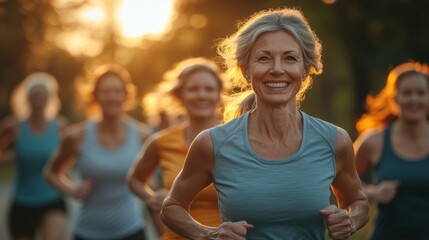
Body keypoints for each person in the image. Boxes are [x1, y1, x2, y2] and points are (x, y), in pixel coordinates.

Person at [160, 7, 369, 240]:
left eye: (289, 58)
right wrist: (208, 234)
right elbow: (171, 207)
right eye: (264, 58)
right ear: (246, 70)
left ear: (306, 70)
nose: (277, 69)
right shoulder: (213, 143)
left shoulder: (334, 140)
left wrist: (350, 220)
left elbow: (358, 202)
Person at [44, 64, 152, 240]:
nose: (112, 97)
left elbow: (153, 177)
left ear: (126, 95)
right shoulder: (76, 136)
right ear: (94, 96)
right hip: (88, 232)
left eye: (117, 91)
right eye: (105, 91)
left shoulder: (143, 135)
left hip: (132, 230)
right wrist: (70, 189)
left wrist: (148, 184)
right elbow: (50, 172)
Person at [127, 57, 225, 239]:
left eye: (209, 89)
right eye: (193, 89)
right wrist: (151, 198)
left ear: (219, 94)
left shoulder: (236, 138)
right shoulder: (161, 141)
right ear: (179, 95)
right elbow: (134, 180)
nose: (202, 95)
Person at [353, 61, 429, 239]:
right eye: (407, 93)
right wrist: (373, 192)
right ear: (394, 99)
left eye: (421, 93)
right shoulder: (374, 141)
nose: (414, 99)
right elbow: (342, 180)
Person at [0, 72, 68, 240]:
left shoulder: (60, 126)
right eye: (34, 97)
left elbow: (71, 157)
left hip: (53, 199)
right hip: (22, 202)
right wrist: (12, 157)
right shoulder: (13, 126)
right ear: (26, 99)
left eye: (42, 97)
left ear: (49, 99)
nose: (38, 102)